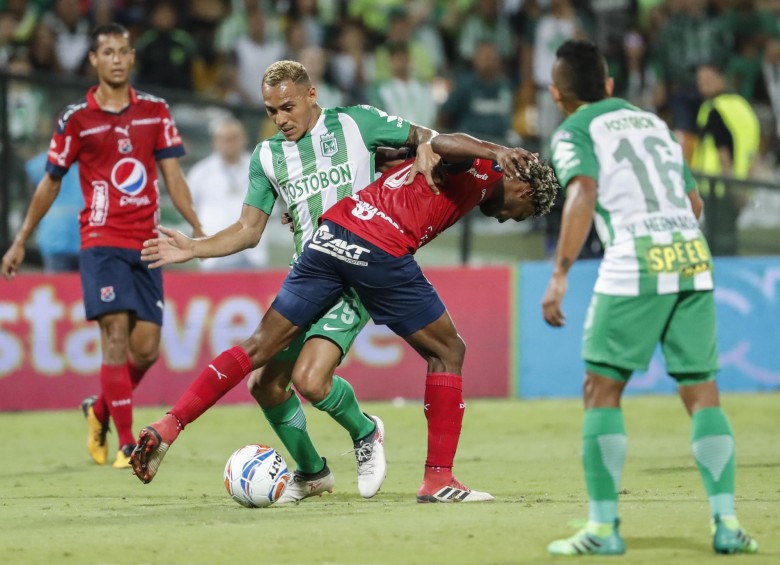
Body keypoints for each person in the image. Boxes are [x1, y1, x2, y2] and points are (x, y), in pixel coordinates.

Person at [131, 132, 558, 504]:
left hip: (331, 234)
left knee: (259, 347)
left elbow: (433, 148)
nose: (508, 218)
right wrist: (495, 151)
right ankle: (438, 479)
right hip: (380, 245)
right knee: (449, 351)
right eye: (523, 213)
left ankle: (169, 425)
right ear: (525, 191)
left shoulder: (475, 176)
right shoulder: (487, 167)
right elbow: (442, 142)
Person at [128, 59, 443, 504]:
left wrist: (428, 145)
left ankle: (367, 431)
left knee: (311, 382)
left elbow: (425, 135)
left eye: (288, 107)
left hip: (358, 271)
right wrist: (194, 247)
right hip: (308, 272)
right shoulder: (267, 156)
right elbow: (248, 230)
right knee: (265, 383)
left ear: (312, 95)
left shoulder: (357, 124)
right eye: (272, 111)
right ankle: (313, 473)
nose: (280, 119)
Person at [543, 40, 758, 556]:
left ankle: (602, 528)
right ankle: (726, 522)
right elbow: (694, 200)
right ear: (611, 86)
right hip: (691, 255)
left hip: (635, 260)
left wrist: (560, 274)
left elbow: (583, 192)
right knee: (702, 391)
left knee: (601, 390)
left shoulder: (574, 130)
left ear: (557, 94)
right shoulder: (651, 123)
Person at [1, 23, 205, 469]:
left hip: (148, 241)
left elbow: (174, 178)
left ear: (132, 57)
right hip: (101, 239)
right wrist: (20, 241)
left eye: (123, 51)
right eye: (107, 52)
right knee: (114, 333)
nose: (116, 58)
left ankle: (100, 409)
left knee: (146, 350)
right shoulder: (76, 119)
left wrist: (197, 227)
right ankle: (129, 442)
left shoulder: (155, 111)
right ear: (93, 60)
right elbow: (49, 182)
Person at [691, 62, 760, 256]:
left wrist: (731, 187)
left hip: (717, 187)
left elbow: (723, 153)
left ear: (721, 79)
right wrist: (745, 188)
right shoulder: (744, 108)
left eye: (707, 79)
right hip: (740, 186)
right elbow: (752, 151)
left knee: (716, 246)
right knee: (729, 241)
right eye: (699, 80)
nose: (701, 84)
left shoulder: (714, 108)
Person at [187, 118, 269, 271]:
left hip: (251, 253)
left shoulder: (260, 168)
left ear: (244, 139)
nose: (230, 143)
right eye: (225, 139)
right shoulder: (200, 173)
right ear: (215, 142)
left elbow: (270, 206)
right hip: (213, 254)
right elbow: (190, 208)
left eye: (234, 138)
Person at [24, 151, 82, 272]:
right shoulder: (89, 160)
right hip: (75, 239)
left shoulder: (42, 163)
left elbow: (33, 197)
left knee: (58, 288)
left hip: (56, 239)